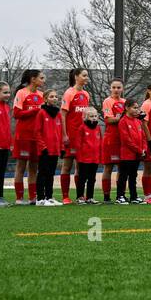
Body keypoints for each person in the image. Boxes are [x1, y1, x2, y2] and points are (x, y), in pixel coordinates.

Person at [12, 69, 45, 205]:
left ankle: (33, 197)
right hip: (23, 135)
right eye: (41, 78)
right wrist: (35, 110)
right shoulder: (21, 93)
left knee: (33, 167)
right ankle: (19, 198)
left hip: (37, 136)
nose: (43, 80)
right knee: (21, 166)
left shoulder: (42, 94)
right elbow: (17, 113)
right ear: (33, 79)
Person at [59, 67, 91, 204]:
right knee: (67, 165)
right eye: (84, 75)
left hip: (82, 137)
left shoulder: (86, 94)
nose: (86, 78)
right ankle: (65, 196)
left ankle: (80, 196)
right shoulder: (69, 93)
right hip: (70, 135)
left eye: (87, 75)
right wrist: (64, 135)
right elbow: (63, 115)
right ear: (76, 77)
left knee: (80, 166)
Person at [100, 79, 127, 203]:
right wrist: (121, 118)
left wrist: (118, 118)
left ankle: (120, 195)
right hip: (111, 138)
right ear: (110, 88)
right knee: (108, 168)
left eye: (119, 87)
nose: (116, 90)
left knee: (122, 168)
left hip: (123, 139)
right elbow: (108, 120)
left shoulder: (125, 102)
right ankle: (106, 196)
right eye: (114, 87)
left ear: (122, 88)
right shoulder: (107, 101)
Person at [36, 88, 63, 205]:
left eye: (56, 96)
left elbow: (60, 132)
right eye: (51, 97)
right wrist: (43, 147)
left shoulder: (58, 114)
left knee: (51, 174)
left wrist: (61, 148)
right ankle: (40, 199)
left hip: (55, 150)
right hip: (45, 150)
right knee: (42, 173)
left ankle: (49, 197)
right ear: (45, 99)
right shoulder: (41, 113)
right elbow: (37, 132)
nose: (54, 98)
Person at [117, 100, 147, 204]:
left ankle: (133, 196)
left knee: (133, 176)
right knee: (123, 176)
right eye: (134, 108)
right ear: (127, 108)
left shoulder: (138, 121)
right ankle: (120, 196)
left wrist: (144, 149)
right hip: (127, 154)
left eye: (137, 108)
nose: (137, 110)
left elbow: (143, 137)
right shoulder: (123, 121)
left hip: (137, 155)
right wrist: (139, 150)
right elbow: (126, 140)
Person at [74, 107, 103, 204]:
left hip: (95, 159)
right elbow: (78, 144)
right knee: (82, 178)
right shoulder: (82, 128)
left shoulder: (98, 128)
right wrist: (79, 157)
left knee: (92, 179)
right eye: (91, 116)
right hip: (84, 159)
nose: (94, 118)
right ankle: (80, 197)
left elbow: (100, 142)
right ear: (85, 117)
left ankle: (90, 197)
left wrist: (100, 155)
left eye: (95, 116)